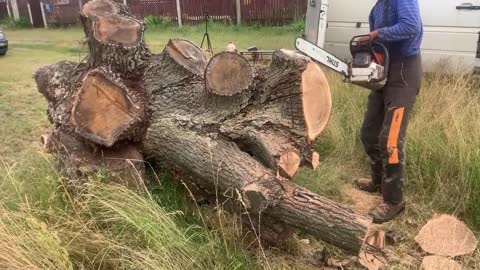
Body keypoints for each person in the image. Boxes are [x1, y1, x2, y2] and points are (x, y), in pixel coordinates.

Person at [353, 0, 423, 224]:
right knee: (369, 132)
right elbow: (378, 42)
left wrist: (375, 34)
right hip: (384, 72)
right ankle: (378, 181)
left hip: (404, 72)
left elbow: (411, 26)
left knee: (390, 139)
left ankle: (393, 199)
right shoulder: (377, 8)